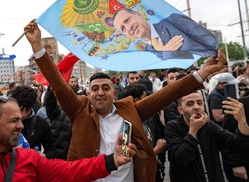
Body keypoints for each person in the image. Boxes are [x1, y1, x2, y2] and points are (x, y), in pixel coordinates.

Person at [24, 19, 227, 181]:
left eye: (106, 88)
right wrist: (37, 46)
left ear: (114, 92)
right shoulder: (79, 110)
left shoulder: (130, 109)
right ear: (88, 93)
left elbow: (168, 94)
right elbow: (58, 84)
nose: (100, 93)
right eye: (95, 89)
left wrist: (202, 73)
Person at [0, 96, 137, 181]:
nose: (21, 126)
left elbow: (71, 171)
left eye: (20, 119)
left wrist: (112, 161)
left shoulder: (29, 159)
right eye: (14, 120)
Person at [165, 91, 249, 182]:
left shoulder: (209, 125)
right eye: (190, 104)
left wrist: (242, 121)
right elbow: (181, 159)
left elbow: (237, 145)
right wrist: (193, 131)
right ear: (180, 110)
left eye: (200, 103)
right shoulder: (172, 127)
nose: (196, 107)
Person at [112, 8, 218, 59]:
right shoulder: (146, 53)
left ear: (140, 15)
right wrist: (168, 53)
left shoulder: (173, 20)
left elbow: (210, 40)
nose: (128, 27)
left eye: (127, 20)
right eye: (123, 29)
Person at [10, 85, 55, 158]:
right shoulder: (7, 122)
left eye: (27, 110)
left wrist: (44, 155)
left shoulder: (41, 124)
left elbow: (52, 151)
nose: (23, 115)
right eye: (20, 109)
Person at [37, 86, 72, 160]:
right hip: (57, 158)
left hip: (71, 159)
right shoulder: (56, 114)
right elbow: (50, 102)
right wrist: (52, 85)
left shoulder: (76, 115)